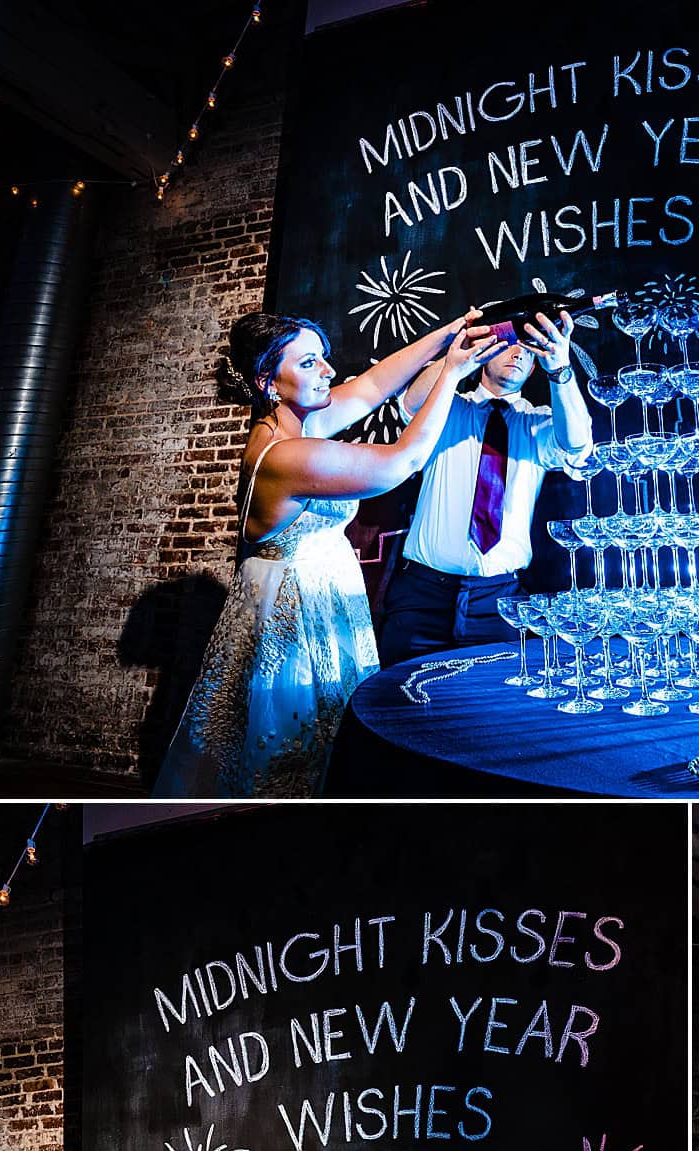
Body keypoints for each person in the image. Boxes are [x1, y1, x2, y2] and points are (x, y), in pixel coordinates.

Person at [152, 307, 499, 797]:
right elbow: (405, 460)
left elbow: (373, 387)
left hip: (315, 593)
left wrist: (448, 334)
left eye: (323, 359)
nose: (329, 372)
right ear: (268, 381)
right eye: (310, 363)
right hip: (297, 611)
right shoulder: (290, 456)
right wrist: (453, 372)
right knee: (295, 748)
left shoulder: (289, 427)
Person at [375, 309, 596, 663]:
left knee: (494, 711)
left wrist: (561, 370)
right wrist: (460, 349)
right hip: (420, 597)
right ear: (487, 352)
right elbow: (411, 402)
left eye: (528, 348)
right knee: (399, 704)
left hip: (500, 602)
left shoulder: (536, 423)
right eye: (510, 343)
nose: (519, 352)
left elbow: (577, 445)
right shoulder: (449, 409)